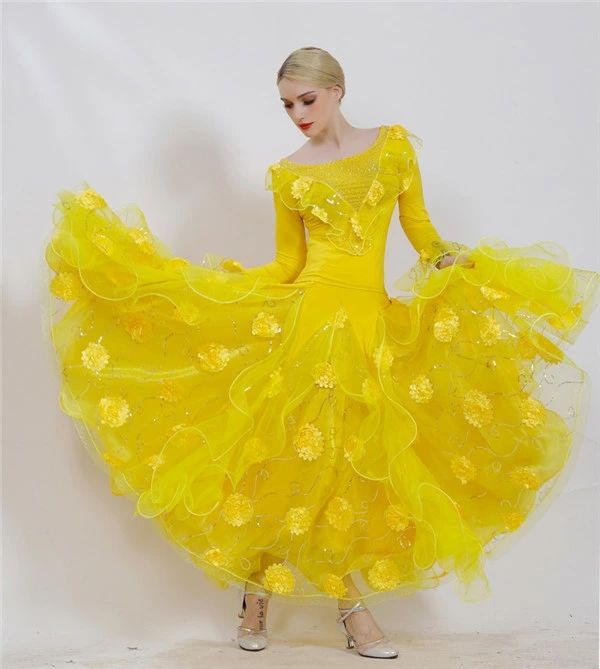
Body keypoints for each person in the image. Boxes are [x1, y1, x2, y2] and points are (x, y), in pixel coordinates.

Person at [42, 46, 599, 658]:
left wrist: (451, 261)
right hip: (309, 328)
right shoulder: (289, 175)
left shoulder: (393, 148)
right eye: (286, 105)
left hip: (371, 328)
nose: (297, 114)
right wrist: (222, 290)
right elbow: (289, 263)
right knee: (292, 463)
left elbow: (421, 233)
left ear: (337, 89)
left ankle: (259, 593)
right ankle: (344, 611)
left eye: (306, 99)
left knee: (342, 469)